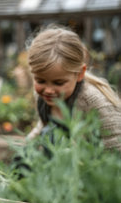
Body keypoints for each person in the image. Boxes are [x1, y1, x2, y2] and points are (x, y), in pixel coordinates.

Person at [26, 24, 121, 152]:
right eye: (40, 80)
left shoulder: (93, 101)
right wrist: (24, 149)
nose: (48, 90)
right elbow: (43, 126)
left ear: (80, 74)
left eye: (58, 83)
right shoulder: (45, 96)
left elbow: (116, 145)